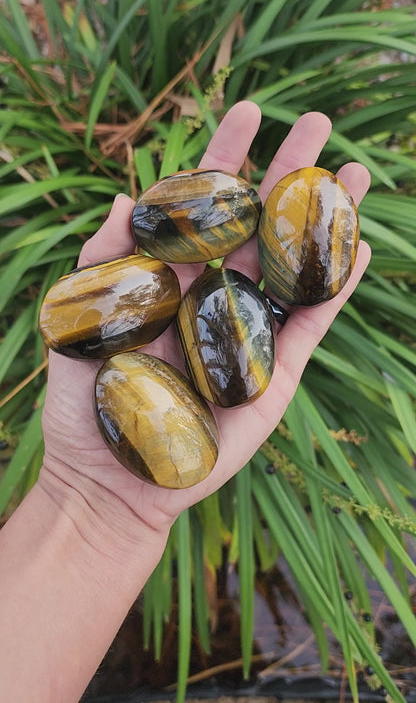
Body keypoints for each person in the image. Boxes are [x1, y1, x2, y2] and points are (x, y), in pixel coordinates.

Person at [0, 102, 371, 702]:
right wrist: (95, 505)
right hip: (169, 357)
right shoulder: (169, 313)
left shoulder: (220, 285)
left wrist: (93, 509)